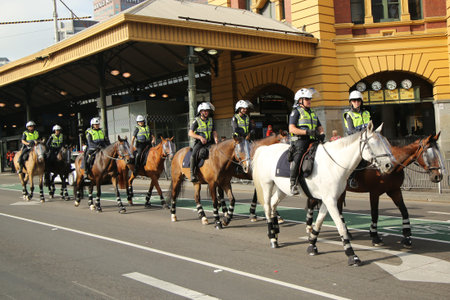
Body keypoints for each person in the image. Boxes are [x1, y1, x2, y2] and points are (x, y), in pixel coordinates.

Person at [288, 88, 325, 195]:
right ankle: (293, 183)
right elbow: (292, 129)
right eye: (306, 99)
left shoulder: (312, 112)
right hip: (300, 141)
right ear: (300, 100)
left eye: (310, 99)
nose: (309, 101)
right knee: (298, 156)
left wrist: (322, 134)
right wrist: (307, 132)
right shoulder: (295, 112)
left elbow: (320, 127)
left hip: (313, 140)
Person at [343, 90, 371, 188]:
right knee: (359, 159)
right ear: (351, 102)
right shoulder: (349, 115)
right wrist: (363, 132)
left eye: (358, 101)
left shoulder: (366, 113)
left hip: (367, 139)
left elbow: (370, 126)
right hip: (354, 140)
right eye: (354, 101)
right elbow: (351, 130)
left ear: (361, 102)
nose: (356, 103)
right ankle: (351, 178)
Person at [188, 102, 218, 182]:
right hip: (200, 143)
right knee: (193, 154)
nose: (206, 112)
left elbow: (214, 131)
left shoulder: (211, 120)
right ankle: (192, 174)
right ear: (200, 112)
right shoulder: (196, 121)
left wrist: (216, 139)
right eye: (204, 111)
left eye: (207, 111)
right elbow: (190, 133)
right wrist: (200, 137)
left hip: (210, 142)